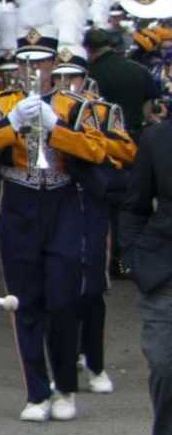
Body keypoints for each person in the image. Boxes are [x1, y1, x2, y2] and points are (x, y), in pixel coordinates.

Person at [0, 0, 118, 422]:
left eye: (42, 62)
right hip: (18, 201)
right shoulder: (1, 105)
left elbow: (97, 149)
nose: (34, 70)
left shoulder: (78, 105)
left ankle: (66, 388)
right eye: (26, 62)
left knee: (63, 298)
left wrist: (57, 129)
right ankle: (37, 389)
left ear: (56, 63)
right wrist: (11, 126)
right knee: (24, 299)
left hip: (62, 200)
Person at [52, 30, 136, 392]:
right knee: (59, 287)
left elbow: (126, 150)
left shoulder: (104, 111)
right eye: (60, 77)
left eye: (73, 76)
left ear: (86, 79)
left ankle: (95, 361)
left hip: (91, 204)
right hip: (54, 202)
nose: (67, 83)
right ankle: (64, 357)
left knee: (93, 286)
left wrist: (87, 141)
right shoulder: (42, 109)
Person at [112, 106, 172, 435]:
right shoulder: (157, 138)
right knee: (166, 367)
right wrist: (130, 260)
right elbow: (133, 205)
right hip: (164, 271)